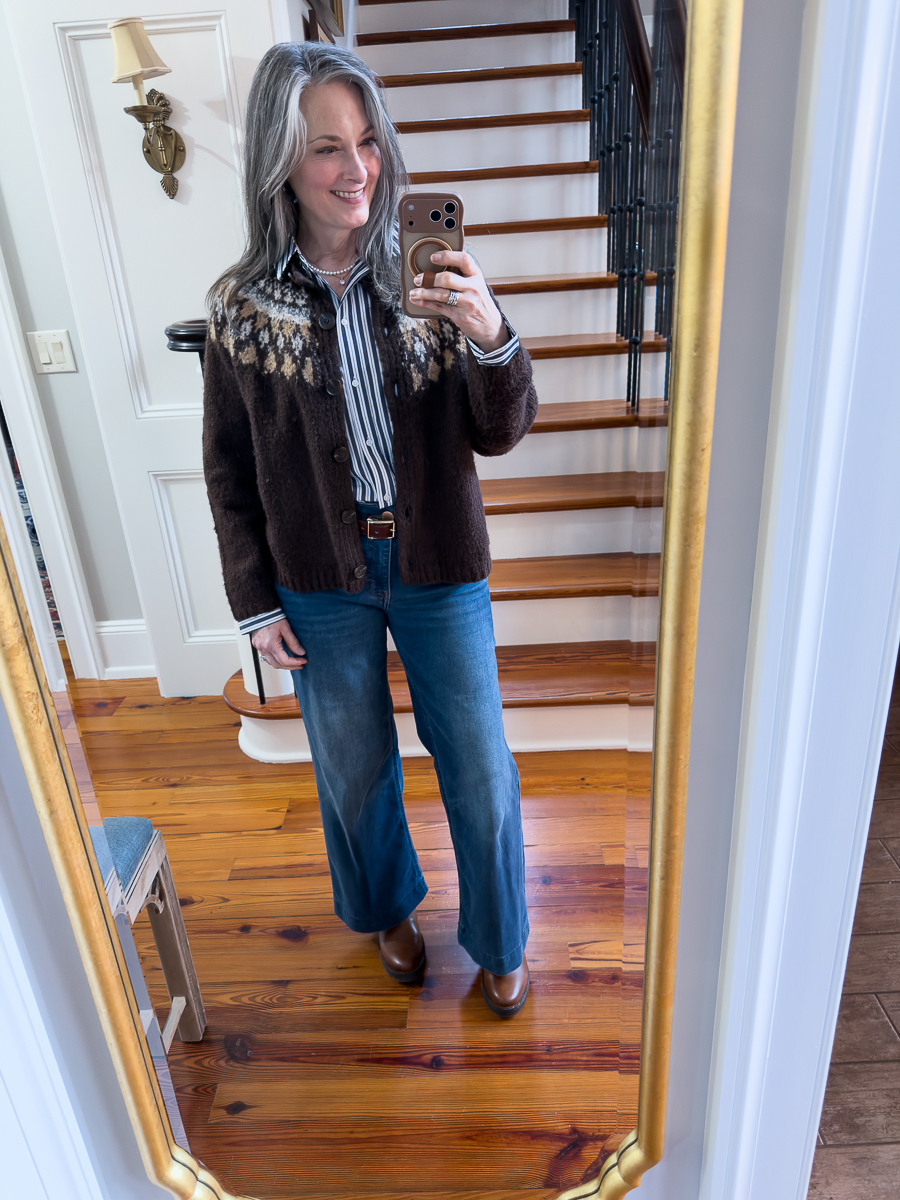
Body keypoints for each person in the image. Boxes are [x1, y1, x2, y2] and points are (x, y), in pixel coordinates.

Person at [203, 41, 537, 1017]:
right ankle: (386, 907)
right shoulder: (240, 307)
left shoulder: (432, 280)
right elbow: (227, 466)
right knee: (352, 769)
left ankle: (501, 935)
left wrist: (491, 336)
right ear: (280, 163)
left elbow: (501, 429)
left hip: (437, 561)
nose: (357, 170)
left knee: (478, 763)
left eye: (366, 142)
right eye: (324, 150)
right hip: (317, 575)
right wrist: (253, 602)